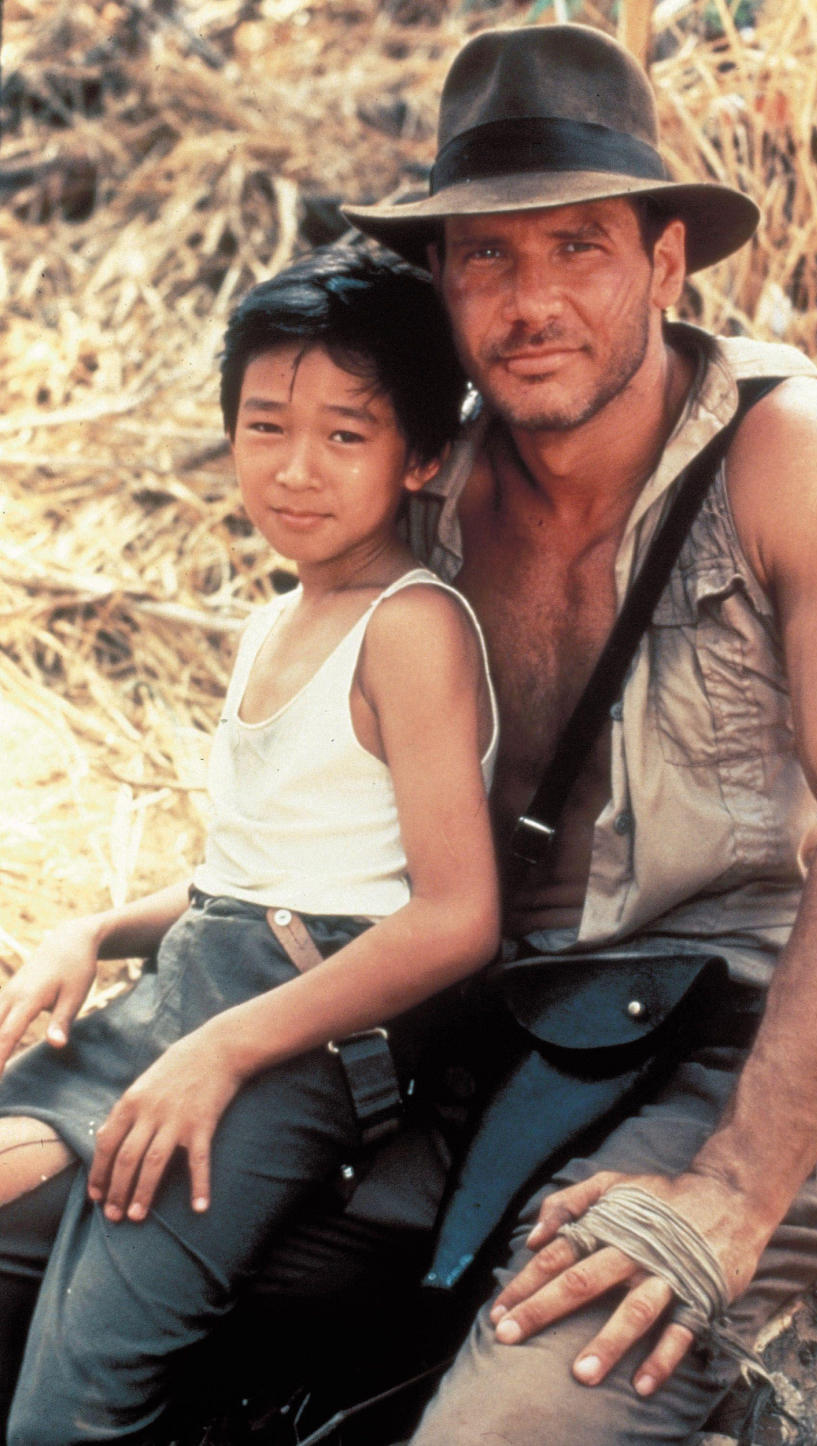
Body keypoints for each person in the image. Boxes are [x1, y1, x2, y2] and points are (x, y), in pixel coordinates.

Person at [300, 21, 817, 1444]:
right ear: (442, 282)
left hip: (731, 1061)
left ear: (664, 262)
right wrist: (128, 943)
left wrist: (739, 1183)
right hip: (477, 1045)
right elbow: (337, 798)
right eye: (488, 255)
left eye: (578, 247)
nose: (533, 300)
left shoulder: (799, 458)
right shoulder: (432, 492)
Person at [0, 246, 500, 1444]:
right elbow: (255, 872)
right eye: (265, 425)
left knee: (73, 1402)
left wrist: (224, 1052)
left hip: (300, 1038)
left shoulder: (411, 628)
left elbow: (455, 915)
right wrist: (93, 930)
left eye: (345, 434)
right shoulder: (277, 617)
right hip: (187, 992)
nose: (295, 469)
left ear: (422, 455)